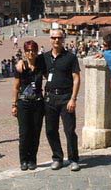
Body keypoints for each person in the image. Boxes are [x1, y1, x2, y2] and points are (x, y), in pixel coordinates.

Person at [39, 29, 81, 171]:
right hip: (50, 98)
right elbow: (32, 65)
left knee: (69, 130)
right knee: (50, 130)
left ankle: (73, 159)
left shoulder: (70, 57)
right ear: (50, 39)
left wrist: (73, 99)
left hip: (66, 98)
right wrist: (21, 62)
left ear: (63, 39)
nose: (56, 40)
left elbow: (76, 78)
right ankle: (57, 157)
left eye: (59, 38)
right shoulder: (44, 57)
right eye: (53, 38)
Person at [12, 40, 44, 171]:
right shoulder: (21, 67)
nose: (31, 53)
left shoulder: (41, 65)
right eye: (28, 51)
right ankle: (23, 160)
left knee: (36, 132)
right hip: (23, 103)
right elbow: (16, 87)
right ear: (24, 53)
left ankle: (32, 159)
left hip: (37, 103)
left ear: (36, 52)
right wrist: (14, 104)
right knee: (24, 133)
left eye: (33, 50)